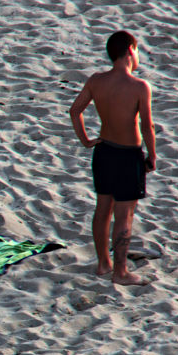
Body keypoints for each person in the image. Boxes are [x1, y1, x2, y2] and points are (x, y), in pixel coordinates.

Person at [69, 30, 156, 285]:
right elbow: (147, 126)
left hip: (103, 151)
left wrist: (85, 141)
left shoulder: (96, 80)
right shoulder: (139, 86)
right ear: (130, 50)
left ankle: (103, 264)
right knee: (124, 214)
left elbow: (75, 111)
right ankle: (121, 272)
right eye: (138, 50)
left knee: (102, 209)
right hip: (128, 156)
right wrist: (152, 156)